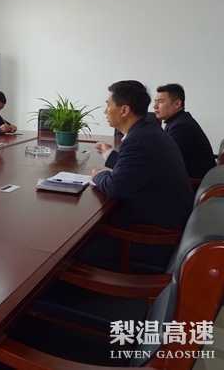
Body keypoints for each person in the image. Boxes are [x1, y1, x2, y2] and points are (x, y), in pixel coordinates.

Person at [77, 80, 194, 272]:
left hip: (152, 239)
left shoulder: (139, 140)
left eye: (108, 105)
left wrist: (98, 175)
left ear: (124, 110)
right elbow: (136, 169)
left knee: (68, 253)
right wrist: (109, 159)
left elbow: (116, 187)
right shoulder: (150, 131)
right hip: (167, 226)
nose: (105, 111)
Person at [153, 83, 215, 179]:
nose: (155, 106)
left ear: (177, 104)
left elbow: (167, 158)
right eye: (155, 102)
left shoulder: (182, 126)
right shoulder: (176, 121)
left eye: (160, 102)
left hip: (194, 182)